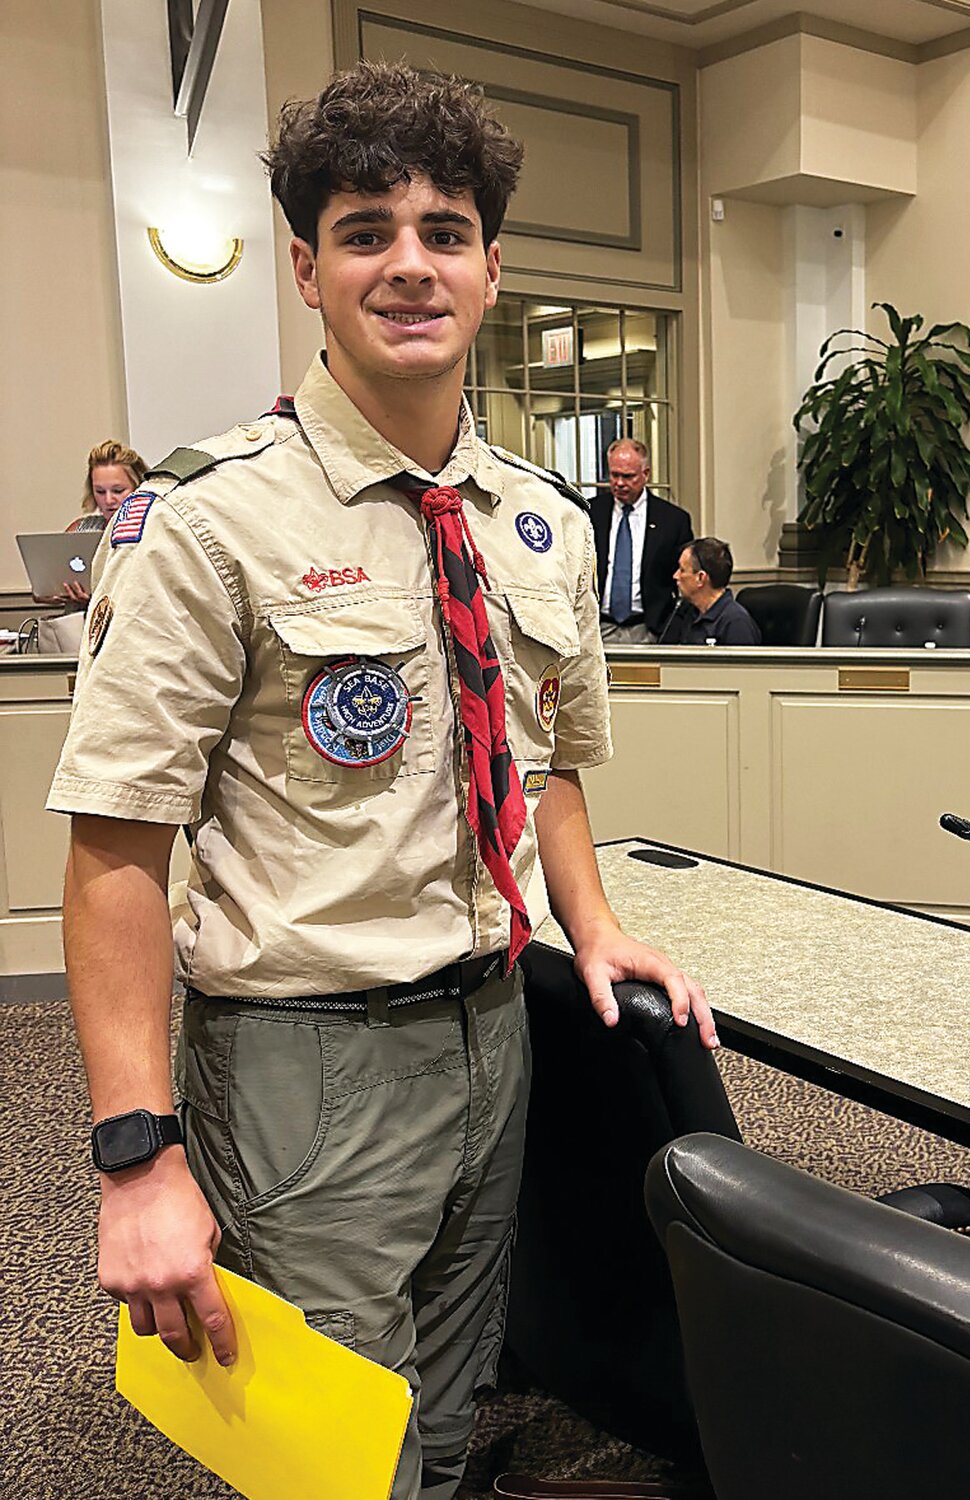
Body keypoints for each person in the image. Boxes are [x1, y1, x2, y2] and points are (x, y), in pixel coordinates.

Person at [47, 61, 715, 1500]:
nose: (409, 262)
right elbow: (116, 855)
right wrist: (135, 1159)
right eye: (366, 230)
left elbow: (550, 766)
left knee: (460, 1404)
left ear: (490, 267)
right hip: (308, 1058)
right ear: (305, 265)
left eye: (444, 230)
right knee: (334, 1459)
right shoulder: (204, 523)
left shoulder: (537, 523)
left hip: (494, 1032)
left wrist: (589, 921)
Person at [588, 437, 692, 642]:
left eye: (628, 477)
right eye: (614, 475)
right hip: (598, 626)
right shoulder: (591, 513)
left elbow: (684, 577)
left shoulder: (673, 520)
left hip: (649, 628)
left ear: (645, 474)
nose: (619, 483)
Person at [33, 440, 145, 610]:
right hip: (79, 630)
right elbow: (41, 589)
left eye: (118, 491)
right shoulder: (80, 529)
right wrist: (51, 592)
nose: (108, 500)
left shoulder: (152, 530)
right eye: (100, 492)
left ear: (138, 488)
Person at [658, 537, 762, 646]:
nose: (675, 576)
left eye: (682, 570)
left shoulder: (736, 623)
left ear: (701, 578)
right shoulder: (686, 612)